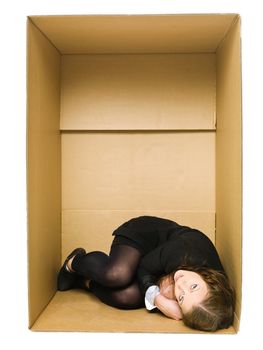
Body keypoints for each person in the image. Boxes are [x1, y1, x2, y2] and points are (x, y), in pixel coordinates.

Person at [57, 216, 235, 331]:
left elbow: (220, 317)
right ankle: (75, 263)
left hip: (161, 266)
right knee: (117, 275)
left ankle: (85, 282)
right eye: (193, 287)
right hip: (144, 238)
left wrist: (174, 300)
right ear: (211, 280)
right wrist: (159, 299)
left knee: (127, 297)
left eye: (181, 298)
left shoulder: (211, 301)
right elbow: (145, 268)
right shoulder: (186, 252)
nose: (181, 284)